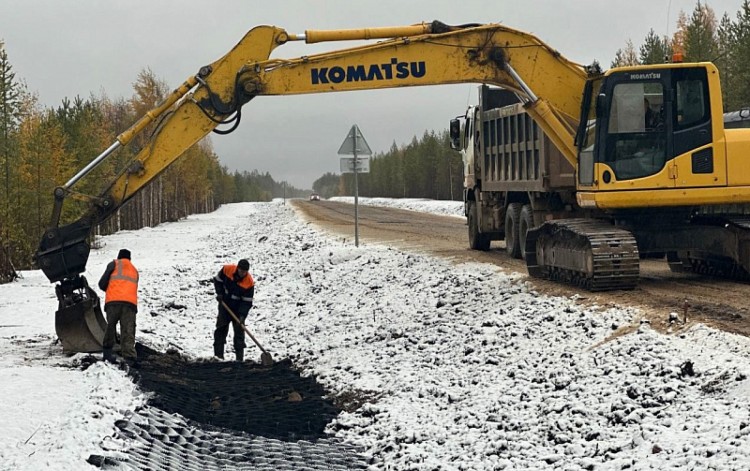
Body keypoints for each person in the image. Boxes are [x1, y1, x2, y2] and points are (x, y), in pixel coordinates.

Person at [98, 249, 139, 365]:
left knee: (110, 327)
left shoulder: (114, 264)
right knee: (128, 329)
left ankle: (107, 354)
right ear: (129, 259)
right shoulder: (135, 270)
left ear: (119, 257)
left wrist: (110, 289)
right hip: (130, 304)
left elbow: (101, 284)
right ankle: (130, 358)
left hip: (113, 302)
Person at [213, 258, 255, 361]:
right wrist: (219, 293)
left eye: (244, 272)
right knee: (221, 329)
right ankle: (218, 357)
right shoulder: (227, 269)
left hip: (238, 308)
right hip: (225, 304)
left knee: (239, 333)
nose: (242, 273)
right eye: (241, 271)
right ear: (237, 268)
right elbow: (218, 280)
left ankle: (239, 360)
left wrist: (242, 315)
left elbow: (247, 302)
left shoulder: (249, 283)